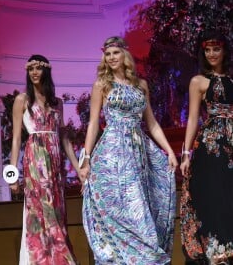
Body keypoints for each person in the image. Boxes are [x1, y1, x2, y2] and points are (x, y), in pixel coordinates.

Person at [80, 36, 178, 264]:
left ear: (125, 54)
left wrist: (169, 152)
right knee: (120, 204)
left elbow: (151, 122)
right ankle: (128, 257)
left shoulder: (140, 85)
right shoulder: (101, 85)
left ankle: (144, 256)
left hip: (138, 151)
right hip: (113, 151)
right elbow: (93, 123)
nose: (112, 57)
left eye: (115, 52)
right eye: (108, 54)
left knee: (140, 202)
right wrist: (85, 157)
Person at [9, 54, 83, 265]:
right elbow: (15, 138)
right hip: (35, 160)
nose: (34, 72)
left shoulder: (56, 102)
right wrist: (12, 174)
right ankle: (43, 259)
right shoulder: (22, 100)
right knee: (40, 210)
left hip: (55, 162)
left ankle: (57, 257)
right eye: (30, 68)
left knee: (57, 210)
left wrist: (78, 170)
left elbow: (64, 138)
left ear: (46, 71)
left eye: (38, 68)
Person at [180, 30, 233, 264]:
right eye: (207, 50)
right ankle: (217, 257)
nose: (212, 54)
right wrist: (185, 153)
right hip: (210, 149)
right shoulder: (198, 81)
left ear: (225, 51)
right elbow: (192, 118)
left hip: (231, 147)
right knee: (213, 200)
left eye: (216, 49)